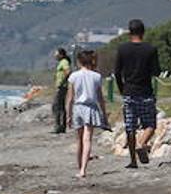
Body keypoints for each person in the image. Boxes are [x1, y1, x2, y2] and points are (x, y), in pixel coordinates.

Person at [114, 18, 160, 168]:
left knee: (130, 127)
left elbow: (117, 72)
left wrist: (122, 89)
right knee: (150, 124)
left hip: (129, 92)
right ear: (143, 32)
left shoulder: (122, 49)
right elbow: (156, 72)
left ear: (129, 32)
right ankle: (142, 142)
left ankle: (133, 160)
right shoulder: (151, 49)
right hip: (145, 92)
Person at [66, 50, 110, 178]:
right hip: (91, 107)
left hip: (78, 108)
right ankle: (83, 170)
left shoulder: (74, 76)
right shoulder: (96, 76)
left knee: (79, 140)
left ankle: (80, 167)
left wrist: (68, 115)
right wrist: (104, 114)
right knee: (87, 139)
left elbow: (70, 98)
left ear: (79, 62)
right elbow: (100, 98)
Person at [51, 48, 72, 134]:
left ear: (61, 54)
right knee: (60, 106)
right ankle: (61, 126)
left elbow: (68, 72)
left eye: (56, 53)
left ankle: (58, 126)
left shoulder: (64, 62)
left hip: (62, 87)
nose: (55, 55)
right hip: (61, 86)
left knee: (56, 106)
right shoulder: (61, 62)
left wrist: (62, 82)